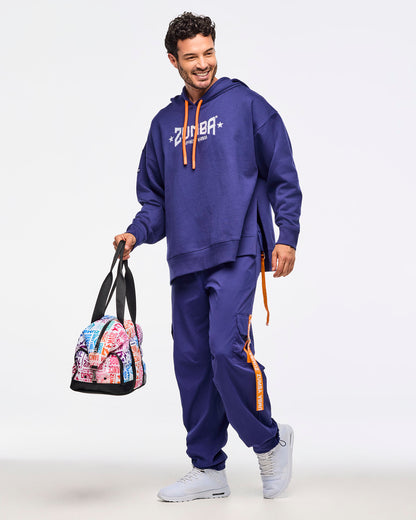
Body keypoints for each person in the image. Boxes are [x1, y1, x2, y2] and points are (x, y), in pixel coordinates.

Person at [114, 11, 302, 502]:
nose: (202, 64)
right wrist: (135, 234)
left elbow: (282, 172)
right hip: (185, 258)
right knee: (193, 362)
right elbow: (155, 201)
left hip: (238, 249)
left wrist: (287, 235)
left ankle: (270, 441)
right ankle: (207, 468)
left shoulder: (246, 105)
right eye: (191, 56)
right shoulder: (164, 124)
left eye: (209, 52)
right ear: (173, 60)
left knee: (226, 350)